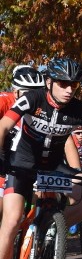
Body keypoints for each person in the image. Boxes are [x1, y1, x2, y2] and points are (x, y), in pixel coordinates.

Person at [0, 58, 82, 259]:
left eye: (74, 85)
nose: (69, 90)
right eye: (63, 83)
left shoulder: (81, 110)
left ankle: (45, 232)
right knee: (12, 219)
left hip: (53, 166)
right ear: (49, 82)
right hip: (22, 163)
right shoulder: (33, 98)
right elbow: (3, 125)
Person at [0, 65, 46, 220]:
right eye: (27, 92)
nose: (32, 97)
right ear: (16, 92)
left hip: (26, 161)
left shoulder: (42, 107)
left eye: (37, 92)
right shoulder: (5, 101)